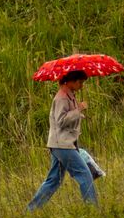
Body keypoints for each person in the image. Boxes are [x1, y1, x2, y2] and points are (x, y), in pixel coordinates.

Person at [27, 70, 99, 210]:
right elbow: (61, 120)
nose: (81, 85)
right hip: (63, 145)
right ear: (71, 81)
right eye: (80, 82)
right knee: (85, 174)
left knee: (54, 180)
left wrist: (77, 111)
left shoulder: (69, 95)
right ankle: (93, 210)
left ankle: (31, 210)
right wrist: (78, 110)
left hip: (61, 144)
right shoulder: (62, 98)